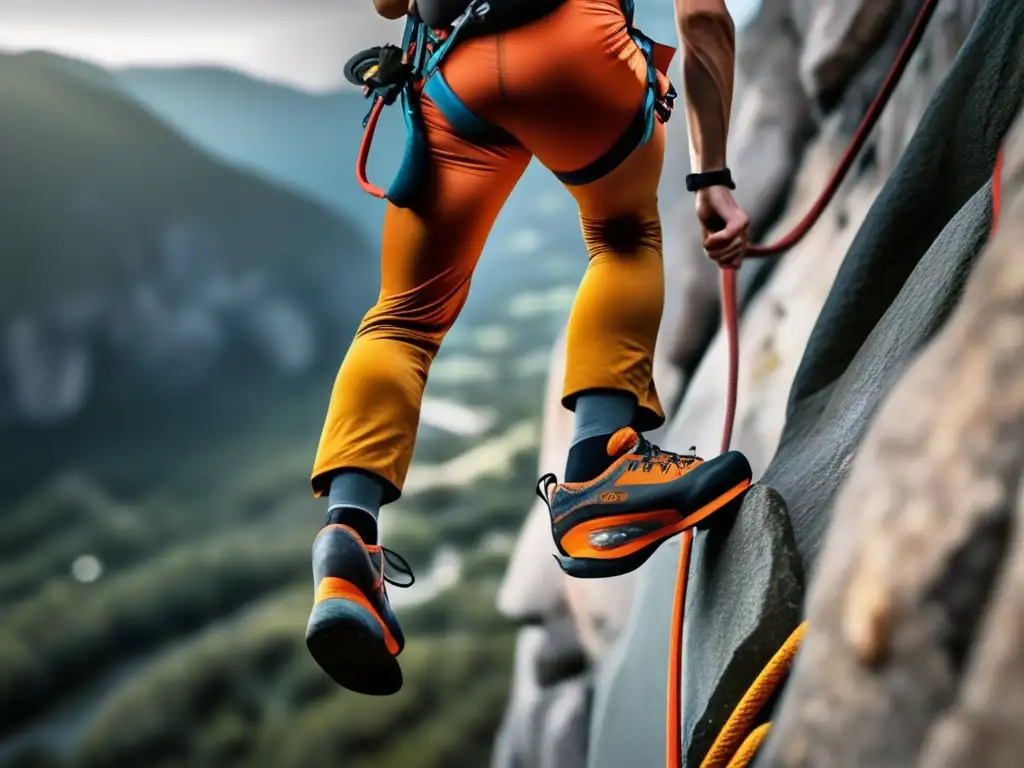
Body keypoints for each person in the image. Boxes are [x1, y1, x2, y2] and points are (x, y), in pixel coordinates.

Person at [306, 0, 753, 696]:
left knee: (403, 318)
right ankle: (602, 465)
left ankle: (347, 541)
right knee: (623, 241)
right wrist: (712, 176)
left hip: (453, 78)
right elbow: (702, 21)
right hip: (575, 48)